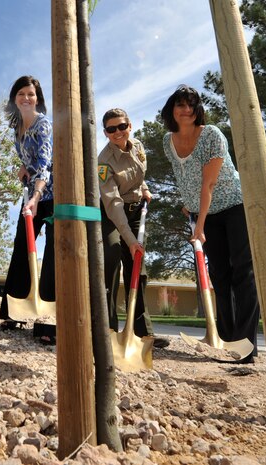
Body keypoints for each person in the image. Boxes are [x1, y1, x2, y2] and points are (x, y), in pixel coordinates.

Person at [160, 85, 260, 362]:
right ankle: (226, 341)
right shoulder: (168, 142)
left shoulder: (211, 135)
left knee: (243, 272)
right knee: (219, 275)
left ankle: (246, 347)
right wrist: (189, 206)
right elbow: (184, 176)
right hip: (204, 212)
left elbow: (209, 183)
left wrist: (199, 223)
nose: (187, 110)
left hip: (234, 207)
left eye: (192, 105)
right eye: (181, 104)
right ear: (172, 109)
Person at [98, 109, 170, 349]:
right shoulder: (104, 160)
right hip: (111, 213)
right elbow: (114, 203)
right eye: (111, 129)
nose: (117, 132)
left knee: (137, 267)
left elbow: (139, 174)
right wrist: (129, 240)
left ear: (129, 126)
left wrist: (145, 188)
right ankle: (107, 329)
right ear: (106, 133)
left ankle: (142, 332)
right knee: (111, 257)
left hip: (136, 209)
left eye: (121, 126)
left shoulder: (137, 145)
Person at [0, 76, 56, 343]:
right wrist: (24, 168)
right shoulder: (17, 127)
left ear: (37, 98)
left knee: (53, 254)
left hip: (51, 195)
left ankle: (49, 321)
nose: (26, 98)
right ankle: (14, 312)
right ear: (15, 98)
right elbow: (30, 162)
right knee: (22, 246)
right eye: (21, 93)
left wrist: (36, 194)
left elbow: (45, 162)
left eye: (31, 94)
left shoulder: (43, 124)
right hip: (32, 194)